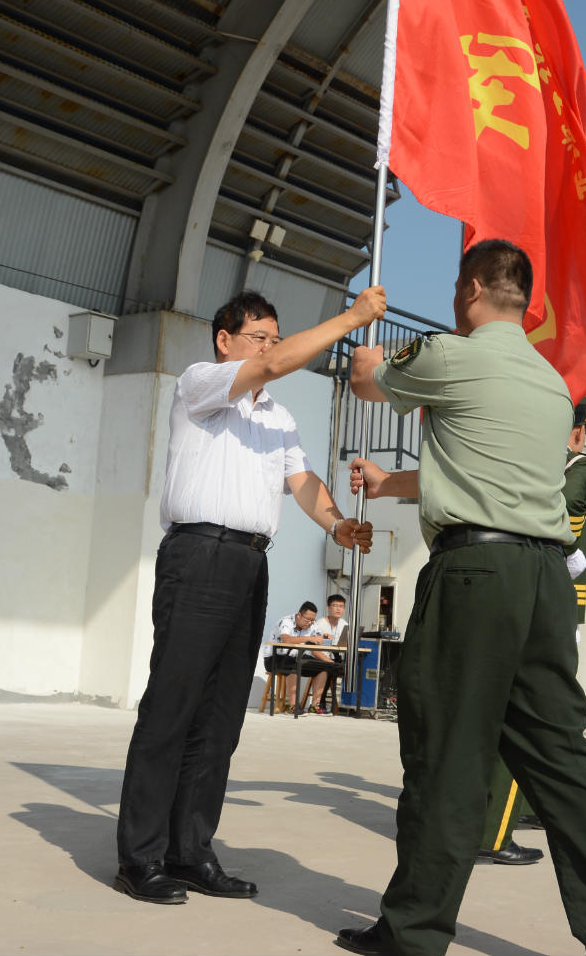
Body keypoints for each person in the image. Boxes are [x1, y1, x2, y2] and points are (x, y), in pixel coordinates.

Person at [336, 240, 586, 956]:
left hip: (473, 578)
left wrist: (363, 332)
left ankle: (414, 931)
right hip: (543, 582)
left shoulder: (452, 356)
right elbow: (484, 470)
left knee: (446, 754)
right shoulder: (549, 385)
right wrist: (393, 485)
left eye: (458, 287)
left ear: (475, 288)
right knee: (564, 763)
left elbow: (367, 381)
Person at [114, 286, 385, 906]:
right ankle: (141, 856)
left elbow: (302, 480)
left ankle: (191, 851)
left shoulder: (278, 417)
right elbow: (268, 366)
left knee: (220, 719)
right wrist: (351, 318)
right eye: (259, 337)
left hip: (248, 563)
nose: (270, 348)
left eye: (274, 336)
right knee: (172, 707)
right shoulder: (202, 383)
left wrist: (338, 524)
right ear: (225, 340)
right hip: (198, 553)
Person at [477, 400, 586, 865]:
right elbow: (567, 523)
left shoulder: (521, 458)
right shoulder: (580, 465)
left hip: (508, 582)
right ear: (578, 431)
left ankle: (520, 807)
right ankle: (494, 829)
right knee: (531, 712)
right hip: (550, 596)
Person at [262, 601, 323, 711]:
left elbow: (319, 639)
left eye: (313, 620)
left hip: (295, 657)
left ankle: (315, 706)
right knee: (293, 666)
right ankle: (293, 706)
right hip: (275, 658)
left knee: (322, 668)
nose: (310, 623)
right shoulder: (286, 621)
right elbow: (287, 639)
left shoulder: (313, 625)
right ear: (299, 615)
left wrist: (324, 638)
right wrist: (308, 638)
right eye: (308, 619)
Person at [302, 594, 350, 712]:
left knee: (353, 668)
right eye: (335, 605)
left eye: (341, 606)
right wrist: (329, 661)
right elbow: (313, 650)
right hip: (316, 656)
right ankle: (319, 703)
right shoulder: (319, 624)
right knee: (328, 667)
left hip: (334, 656)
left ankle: (348, 704)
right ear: (328, 608)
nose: (338, 609)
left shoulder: (345, 625)